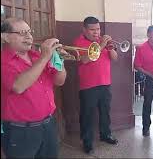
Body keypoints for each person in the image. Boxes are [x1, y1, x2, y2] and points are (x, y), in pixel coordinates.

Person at [1, 18, 67, 158]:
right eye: (22, 33)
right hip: (20, 131)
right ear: (5, 37)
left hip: (48, 125)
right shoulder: (4, 61)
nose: (29, 36)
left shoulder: (37, 56)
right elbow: (18, 86)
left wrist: (59, 60)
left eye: (30, 32)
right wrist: (45, 58)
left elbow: (59, 81)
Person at [73, 16, 118, 154]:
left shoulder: (102, 42)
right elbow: (85, 60)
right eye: (92, 30)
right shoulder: (78, 42)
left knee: (105, 112)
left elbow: (114, 58)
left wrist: (110, 48)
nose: (96, 32)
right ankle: (87, 142)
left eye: (98, 29)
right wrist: (102, 44)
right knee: (87, 115)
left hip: (105, 83)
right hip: (88, 86)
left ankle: (105, 135)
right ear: (84, 30)